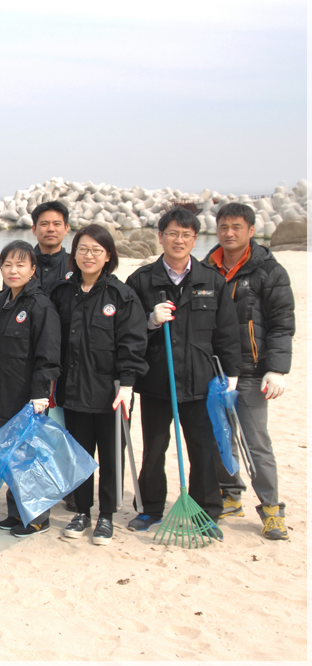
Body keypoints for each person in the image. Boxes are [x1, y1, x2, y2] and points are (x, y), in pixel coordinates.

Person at [124, 207, 241, 539]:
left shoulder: (211, 280)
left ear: (195, 239)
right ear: (160, 236)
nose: (179, 240)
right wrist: (149, 320)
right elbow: (128, 332)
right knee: (154, 449)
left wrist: (231, 375)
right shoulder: (142, 280)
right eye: (172, 233)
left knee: (202, 450)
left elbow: (227, 333)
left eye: (186, 235)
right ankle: (149, 509)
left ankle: (207, 513)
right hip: (157, 382)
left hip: (200, 383)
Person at [49, 225, 148, 546]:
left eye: (96, 250)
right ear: (73, 254)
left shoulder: (121, 295)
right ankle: (82, 511)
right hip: (73, 391)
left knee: (110, 455)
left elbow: (133, 342)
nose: (88, 256)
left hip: (111, 392)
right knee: (80, 455)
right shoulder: (62, 293)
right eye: (82, 250)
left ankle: (106, 515)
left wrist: (128, 384)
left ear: (108, 256)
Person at [203, 203, 294, 540]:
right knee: (217, 437)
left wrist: (277, 370)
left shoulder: (269, 271)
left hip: (254, 370)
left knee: (255, 441)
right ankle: (230, 495)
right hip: (215, 370)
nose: (229, 233)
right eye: (224, 227)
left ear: (251, 230)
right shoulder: (206, 268)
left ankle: (271, 509)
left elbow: (283, 324)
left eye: (236, 227)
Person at [0, 240, 61, 537]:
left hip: (29, 398)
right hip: (2, 396)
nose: (13, 271)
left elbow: (48, 355)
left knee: (29, 458)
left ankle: (38, 517)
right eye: (7, 265)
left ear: (32, 270)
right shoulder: (0, 302)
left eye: (20, 265)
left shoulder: (40, 306)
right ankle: (16, 513)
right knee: (10, 458)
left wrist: (40, 394)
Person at [30, 201, 72, 292]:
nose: (51, 229)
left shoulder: (75, 265)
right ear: (34, 229)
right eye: (44, 224)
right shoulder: (21, 265)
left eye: (57, 224)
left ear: (66, 228)